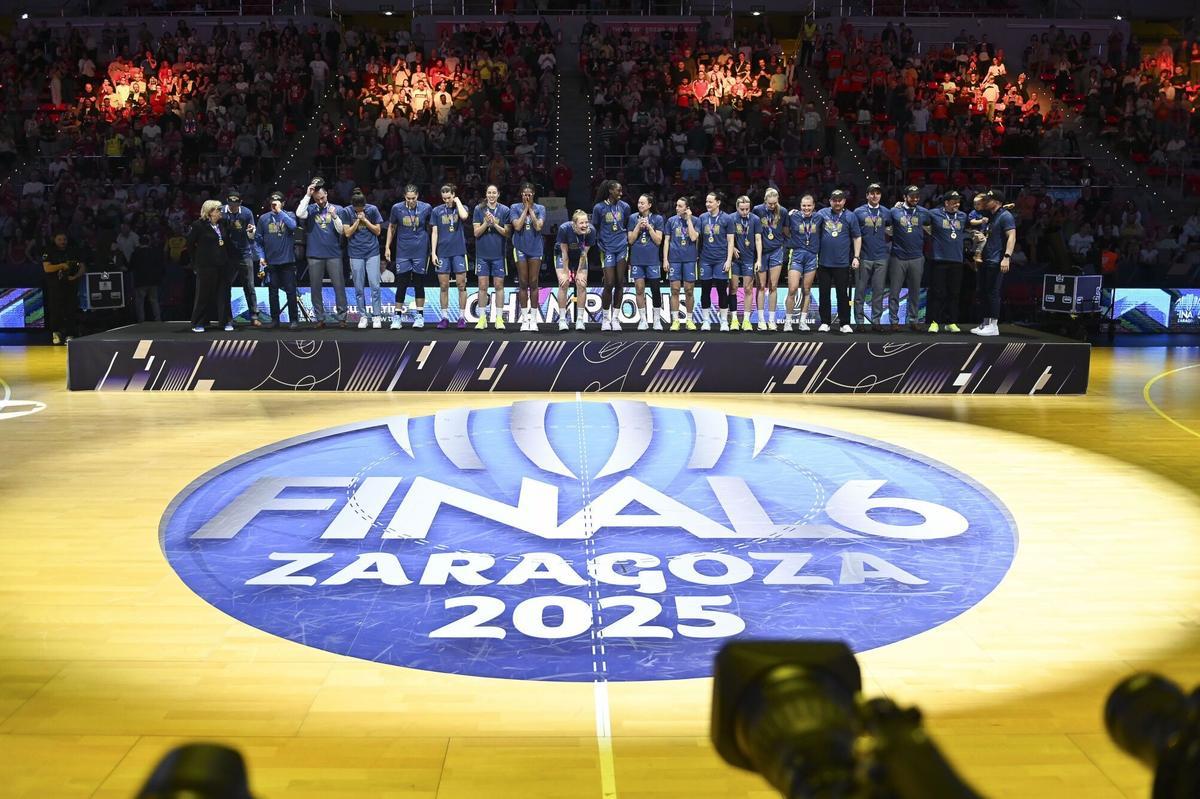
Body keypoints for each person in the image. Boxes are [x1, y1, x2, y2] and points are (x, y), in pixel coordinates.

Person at [296, 179, 347, 328]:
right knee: (315, 288)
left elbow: (341, 230)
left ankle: (342, 318)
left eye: (322, 198)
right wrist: (307, 195)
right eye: (317, 199)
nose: (320, 201)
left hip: (334, 253)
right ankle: (320, 318)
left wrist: (335, 216)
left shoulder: (338, 209)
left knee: (339, 286)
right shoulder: (310, 209)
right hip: (314, 254)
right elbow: (299, 213)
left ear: (327, 195)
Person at [186, 199, 240, 333]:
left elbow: (228, 242)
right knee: (203, 295)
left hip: (223, 265)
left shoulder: (223, 224)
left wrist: (234, 260)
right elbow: (190, 246)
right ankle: (199, 322)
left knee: (224, 294)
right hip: (205, 266)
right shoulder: (198, 225)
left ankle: (226, 321)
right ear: (210, 212)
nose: (221, 212)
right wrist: (195, 263)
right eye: (218, 210)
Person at [814, 189, 862, 333]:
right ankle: (825, 322)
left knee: (842, 294)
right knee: (824, 294)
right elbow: (808, 220)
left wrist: (856, 256)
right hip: (823, 262)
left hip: (842, 263)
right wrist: (796, 214)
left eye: (840, 200)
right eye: (834, 200)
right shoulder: (822, 214)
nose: (837, 202)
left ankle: (844, 323)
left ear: (844, 201)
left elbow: (857, 237)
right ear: (830, 201)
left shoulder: (850, 216)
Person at [384, 184, 432, 329]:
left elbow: (431, 228)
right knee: (402, 284)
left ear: (418, 196)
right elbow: (392, 228)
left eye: (413, 198)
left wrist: (431, 248)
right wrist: (387, 247)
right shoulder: (397, 208)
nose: (411, 201)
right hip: (403, 252)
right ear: (404, 196)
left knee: (419, 284)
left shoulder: (426, 208)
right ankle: (397, 317)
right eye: (408, 198)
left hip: (420, 251)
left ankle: (419, 317)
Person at [254, 191, 301, 330]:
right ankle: (275, 320)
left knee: (291, 291)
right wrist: (261, 256)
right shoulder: (263, 218)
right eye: (272, 202)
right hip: (271, 262)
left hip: (287, 261)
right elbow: (258, 240)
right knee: (272, 292)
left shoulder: (289, 215)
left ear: (283, 203)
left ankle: (293, 320)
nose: (274, 204)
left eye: (277, 202)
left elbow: (293, 227)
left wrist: (279, 211)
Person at [972, 189, 1016, 337]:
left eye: (988, 200)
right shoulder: (991, 216)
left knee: (993, 292)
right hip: (986, 258)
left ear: (996, 202)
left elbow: (1011, 237)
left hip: (997, 260)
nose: (985, 202)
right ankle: (985, 323)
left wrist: (1007, 257)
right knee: (983, 292)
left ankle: (993, 325)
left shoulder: (1006, 216)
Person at [339, 189, 384, 329]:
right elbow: (347, 233)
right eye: (356, 209)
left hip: (372, 252)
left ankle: (377, 316)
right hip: (355, 253)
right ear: (352, 206)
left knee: (375, 286)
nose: (359, 210)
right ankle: (363, 316)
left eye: (361, 208)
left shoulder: (373, 210)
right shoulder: (346, 212)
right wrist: (358, 221)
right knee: (359, 288)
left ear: (364, 205)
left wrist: (365, 220)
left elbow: (378, 231)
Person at [888, 185, 930, 331]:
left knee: (915, 291)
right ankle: (894, 320)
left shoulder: (924, 212)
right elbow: (885, 226)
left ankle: (913, 320)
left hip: (917, 257)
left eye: (917, 196)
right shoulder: (894, 211)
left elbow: (932, 226)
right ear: (905, 197)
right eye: (912, 196)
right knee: (894, 291)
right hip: (898, 256)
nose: (915, 199)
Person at [592, 180, 631, 331]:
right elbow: (595, 227)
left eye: (621, 191)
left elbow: (626, 224)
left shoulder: (625, 207)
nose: (621, 193)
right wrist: (599, 244)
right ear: (610, 191)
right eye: (618, 191)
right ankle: (605, 319)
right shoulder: (599, 208)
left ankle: (615, 319)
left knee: (620, 282)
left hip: (621, 247)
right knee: (609, 283)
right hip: (607, 248)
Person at [926, 190, 967, 333]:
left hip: (957, 260)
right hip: (939, 259)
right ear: (946, 202)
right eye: (954, 201)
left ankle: (951, 322)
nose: (957, 204)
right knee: (938, 292)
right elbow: (918, 213)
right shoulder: (934, 213)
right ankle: (934, 322)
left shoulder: (963, 216)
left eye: (958, 201)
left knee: (954, 293)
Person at [472, 184, 512, 330]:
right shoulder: (478, 209)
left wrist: (494, 224)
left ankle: (499, 319)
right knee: (482, 286)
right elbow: (476, 233)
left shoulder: (505, 210)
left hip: (499, 255)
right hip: (482, 254)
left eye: (494, 193)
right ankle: (482, 318)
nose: (491, 195)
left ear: (498, 194)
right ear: (486, 194)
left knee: (499, 286)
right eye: (489, 192)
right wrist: (486, 223)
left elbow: (507, 233)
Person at [431, 183, 470, 329]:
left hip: (458, 252)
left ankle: (461, 317)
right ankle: (444, 317)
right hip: (442, 253)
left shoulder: (462, 207)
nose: (446, 200)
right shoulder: (436, 211)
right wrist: (433, 252)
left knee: (461, 285)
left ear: (453, 195)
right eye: (444, 198)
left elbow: (464, 217)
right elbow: (434, 232)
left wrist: (457, 201)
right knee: (443, 286)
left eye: (449, 197)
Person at [853, 182, 890, 330]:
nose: (875, 196)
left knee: (879, 291)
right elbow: (854, 235)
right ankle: (860, 322)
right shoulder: (858, 212)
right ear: (867, 195)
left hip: (881, 257)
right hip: (864, 257)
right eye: (872, 193)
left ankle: (876, 322)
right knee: (860, 291)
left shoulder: (887, 212)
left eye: (878, 193)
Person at [626, 193, 665, 331]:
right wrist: (637, 226)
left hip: (652, 260)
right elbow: (630, 240)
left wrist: (649, 227)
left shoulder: (658, 218)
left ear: (649, 205)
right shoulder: (632, 218)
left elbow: (659, 241)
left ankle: (656, 320)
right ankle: (643, 320)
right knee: (639, 289)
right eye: (639, 203)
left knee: (655, 289)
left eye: (643, 203)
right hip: (637, 260)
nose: (640, 205)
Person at [222, 189, 261, 327]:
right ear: (227, 201)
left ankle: (254, 315)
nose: (233, 206)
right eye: (231, 203)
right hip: (227, 255)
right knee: (225, 287)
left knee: (249, 286)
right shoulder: (220, 212)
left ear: (240, 202)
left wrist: (251, 232)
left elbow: (252, 234)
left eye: (236, 204)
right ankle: (227, 317)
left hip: (244, 253)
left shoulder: (246, 213)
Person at [511, 182, 546, 331]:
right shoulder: (514, 208)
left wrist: (530, 209)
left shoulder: (540, 208)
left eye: (529, 194)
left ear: (533, 195)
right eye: (524, 194)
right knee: (523, 282)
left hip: (535, 248)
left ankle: (534, 319)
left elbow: (538, 226)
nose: (527, 196)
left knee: (534, 282)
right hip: (520, 247)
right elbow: (517, 226)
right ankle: (525, 319)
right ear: (521, 195)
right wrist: (525, 208)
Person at [697, 191, 734, 331]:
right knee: (705, 290)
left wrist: (729, 260)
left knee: (721, 291)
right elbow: (698, 239)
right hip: (705, 260)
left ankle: (724, 321)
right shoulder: (702, 218)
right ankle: (706, 321)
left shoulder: (727, 219)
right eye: (706, 201)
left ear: (718, 202)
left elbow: (731, 241)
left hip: (721, 260)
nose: (707, 204)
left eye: (710, 201)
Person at [783, 195, 821, 331]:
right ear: (800, 206)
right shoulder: (793, 216)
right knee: (792, 289)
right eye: (804, 206)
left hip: (812, 256)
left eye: (809, 205)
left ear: (813, 206)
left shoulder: (819, 217)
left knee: (806, 290)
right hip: (797, 255)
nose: (806, 208)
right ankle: (788, 321)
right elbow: (785, 231)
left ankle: (802, 322)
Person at [554, 210, 595, 331]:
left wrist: (579, 272)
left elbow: (584, 253)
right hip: (562, 254)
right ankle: (562, 320)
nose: (585, 225)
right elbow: (564, 253)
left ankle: (580, 320)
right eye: (581, 223)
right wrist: (566, 273)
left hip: (580, 257)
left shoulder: (591, 231)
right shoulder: (564, 229)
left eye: (586, 222)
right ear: (574, 224)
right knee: (564, 283)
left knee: (582, 284)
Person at [752, 188, 786, 331]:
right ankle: (761, 320)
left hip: (777, 250)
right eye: (770, 204)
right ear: (765, 200)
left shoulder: (782, 211)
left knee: (773, 286)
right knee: (761, 286)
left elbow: (786, 230)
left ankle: (772, 320)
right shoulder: (757, 210)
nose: (773, 206)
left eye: (775, 203)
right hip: (761, 252)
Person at [42, 231, 85, 344]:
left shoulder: (73, 250)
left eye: (64, 239)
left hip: (70, 286)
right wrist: (61, 266)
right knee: (55, 311)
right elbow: (47, 268)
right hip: (55, 287)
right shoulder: (49, 251)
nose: (62, 242)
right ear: (55, 240)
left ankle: (70, 334)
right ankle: (56, 334)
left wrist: (75, 276)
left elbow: (82, 267)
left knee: (70, 310)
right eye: (60, 239)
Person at [664, 196, 699, 332]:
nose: (677, 208)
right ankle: (676, 321)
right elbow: (666, 241)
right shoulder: (671, 221)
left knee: (689, 290)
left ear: (687, 208)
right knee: (675, 290)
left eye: (680, 206)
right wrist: (666, 259)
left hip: (690, 259)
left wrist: (689, 219)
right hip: (674, 259)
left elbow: (693, 237)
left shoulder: (696, 220)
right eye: (676, 205)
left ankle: (689, 320)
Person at [730, 195, 763, 332]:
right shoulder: (731, 218)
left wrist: (759, 259)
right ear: (737, 207)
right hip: (734, 260)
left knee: (748, 289)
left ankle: (747, 321)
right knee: (733, 289)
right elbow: (726, 238)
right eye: (742, 209)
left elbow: (758, 239)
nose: (744, 212)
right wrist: (732, 248)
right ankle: (734, 320)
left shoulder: (755, 219)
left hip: (749, 259)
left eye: (747, 209)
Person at [129, 233, 163, 323]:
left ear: (139, 243)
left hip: (140, 281)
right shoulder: (154, 252)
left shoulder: (136, 253)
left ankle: (141, 320)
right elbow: (159, 265)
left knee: (140, 302)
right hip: (153, 280)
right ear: (149, 242)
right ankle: (158, 319)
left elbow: (131, 266)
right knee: (154, 300)